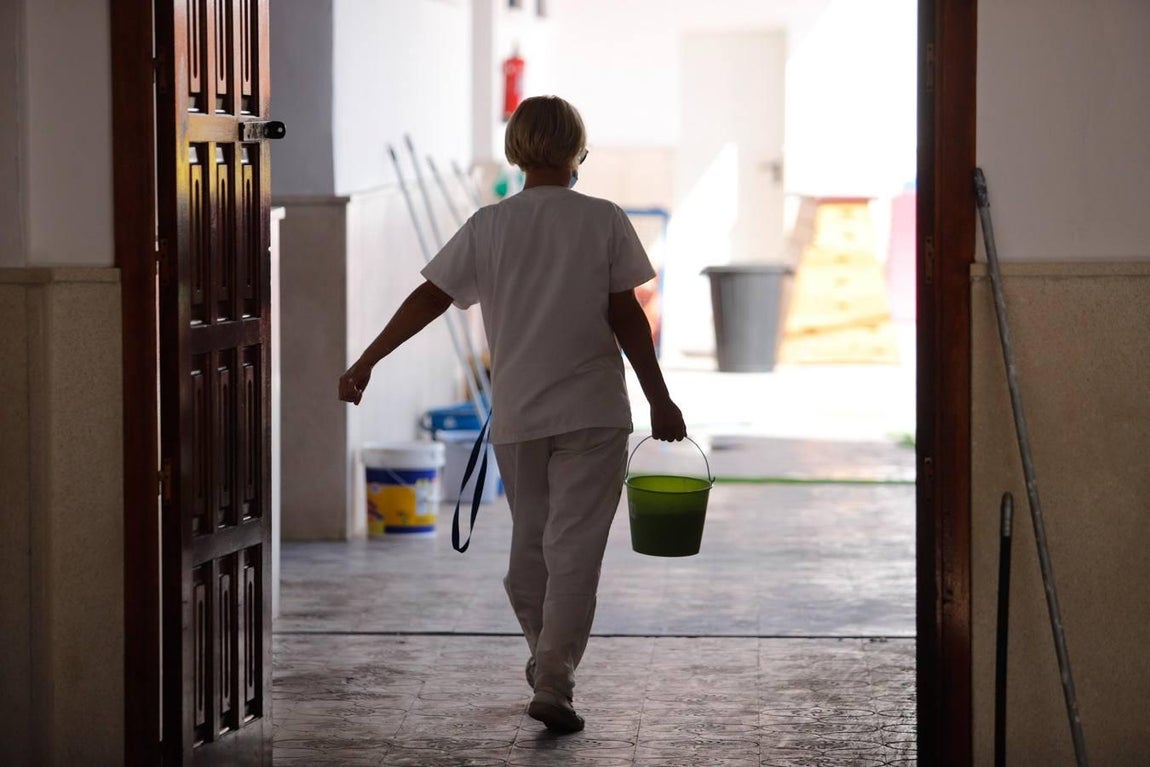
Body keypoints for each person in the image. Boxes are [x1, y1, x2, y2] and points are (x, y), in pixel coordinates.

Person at [338, 95, 686, 733]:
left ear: (516, 150)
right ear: (577, 151)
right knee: (571, 552)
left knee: (531, 552)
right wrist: (659, 397)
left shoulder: (489, 224)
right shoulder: (603, 218)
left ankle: (549, 667)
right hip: (593, 412)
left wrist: (368, 360)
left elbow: (430, 297)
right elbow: (627, 316)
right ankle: (552, 672)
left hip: (521, 413)